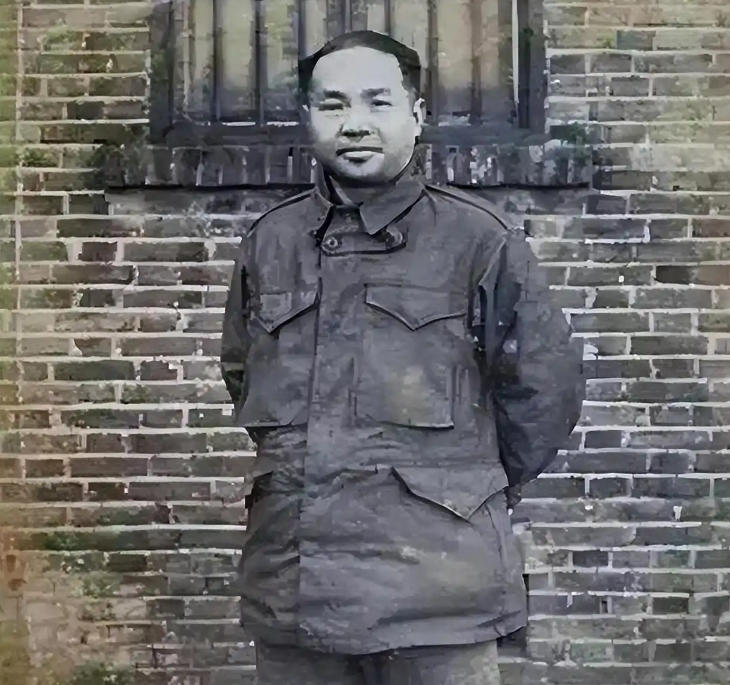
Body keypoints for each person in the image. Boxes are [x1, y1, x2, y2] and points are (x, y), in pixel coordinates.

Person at [220, 30, 585, 685]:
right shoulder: (270, 243)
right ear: (308, 118)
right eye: (333, 105)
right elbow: (245, 375)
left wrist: (463, 488)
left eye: (377, 101)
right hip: (294, 588)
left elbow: (543, 391)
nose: (355, 123)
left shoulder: (479, 240)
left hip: (439, 597)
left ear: (416, 115)